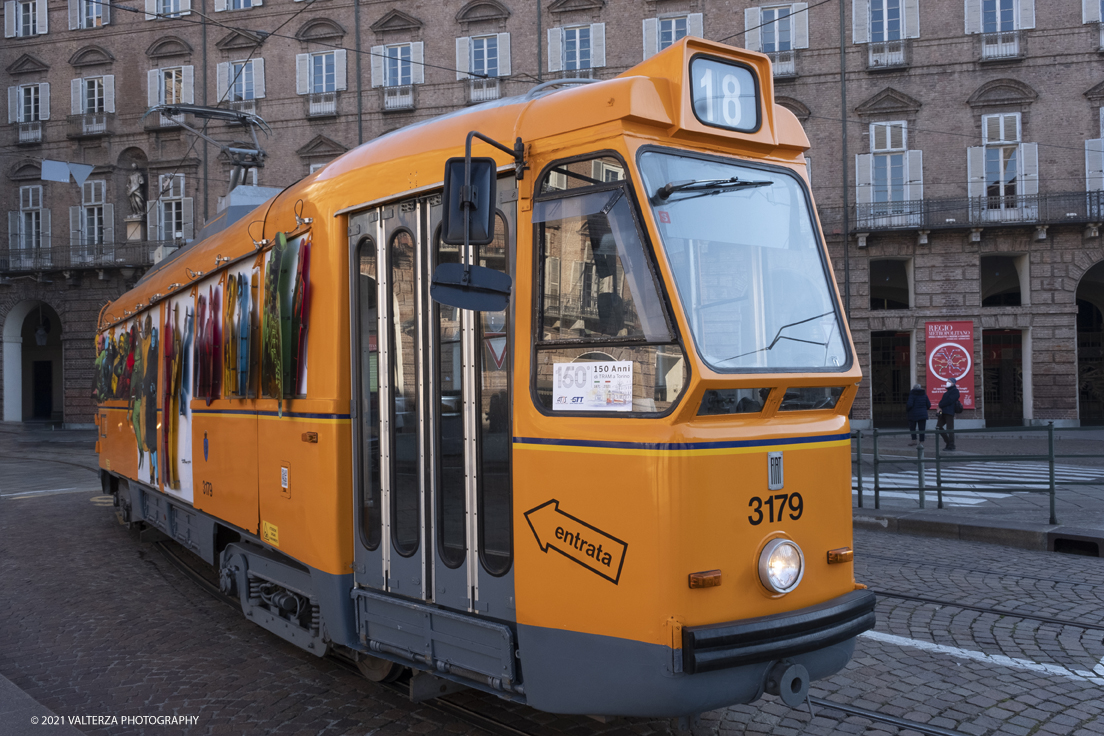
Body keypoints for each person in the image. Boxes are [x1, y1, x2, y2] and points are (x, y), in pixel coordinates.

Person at [936, 378, 960, 451]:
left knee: (949, 429)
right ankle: (948, 442)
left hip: (949, 412)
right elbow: (941, 403)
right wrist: (939, 409)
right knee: (938, 427)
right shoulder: (946, 393)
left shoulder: (955, 391)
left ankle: (951, 445)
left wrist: (941, 404)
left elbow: (949, 401)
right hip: (943, 413)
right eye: (947, 381)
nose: (947, 382)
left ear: (953, 383)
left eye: (949, 381)